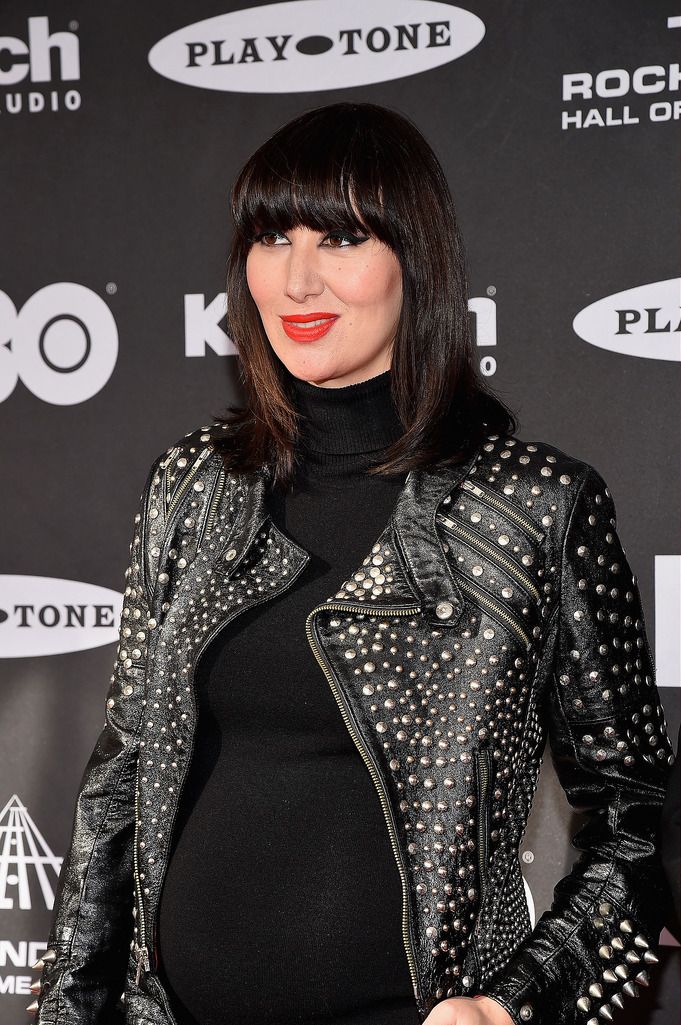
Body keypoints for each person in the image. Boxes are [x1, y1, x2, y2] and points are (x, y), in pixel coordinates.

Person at [31, 102, 676, 1025]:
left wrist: (513, 1004)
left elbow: (636, 820)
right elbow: (123, 777)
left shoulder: (536, 504)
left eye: (339, 237)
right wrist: (66, 1008)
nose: (296, 278)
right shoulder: (191, 483)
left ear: (413, 260)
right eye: (269, 234)